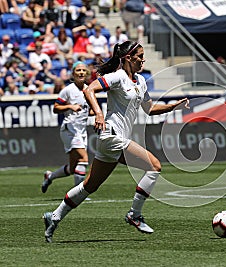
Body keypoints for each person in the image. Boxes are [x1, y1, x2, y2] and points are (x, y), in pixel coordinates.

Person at [42, 40, 190, 243]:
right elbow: (89, 90)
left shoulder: (140, 81)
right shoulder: (118, 77)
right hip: (112, 136)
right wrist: (99, 114)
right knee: (154, 166)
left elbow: (148, 109)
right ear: (127, 58)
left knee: (89, 186)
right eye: (139, 56)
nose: (143, 59)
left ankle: (54, 216)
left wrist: (173, 106)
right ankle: (134, 215)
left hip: (113, 139)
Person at [41, 61, 92, 193]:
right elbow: (56, 108)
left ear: (87, 73)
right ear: (73, 74)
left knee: (72, 167)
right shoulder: (68, 90)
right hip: (70, 129)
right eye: (78, 70)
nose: (81, 72)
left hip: (81, 131)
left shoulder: (89, 89)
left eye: (83, 70)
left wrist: (99, 115)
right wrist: (69, 106)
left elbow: (87, 110)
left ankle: (50, 176)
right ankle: (77, 194)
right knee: (83, 159)